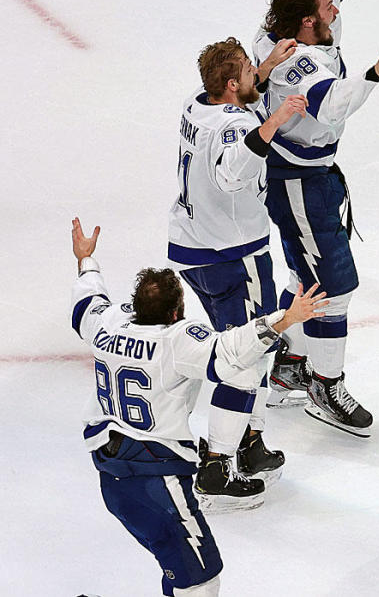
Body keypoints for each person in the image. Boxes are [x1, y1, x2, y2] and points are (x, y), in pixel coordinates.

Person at [70, 218, 327, 596]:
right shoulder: (175, 341)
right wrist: (285, 319)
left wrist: (86, 261)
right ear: (176, 312)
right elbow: (230, 351)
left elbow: (88, 301)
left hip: (112, 474)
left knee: (180, 570)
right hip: (156, 480)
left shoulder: (108, 324)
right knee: (201, 582)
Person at [251, 0, 379, 437]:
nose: (334, 8)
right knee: (334, 284)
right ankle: (324, 382)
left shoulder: (298, 20)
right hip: (296, 181)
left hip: (311, 175)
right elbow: (335, 105)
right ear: (306, 23)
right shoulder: (295, 64)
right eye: (326, 9)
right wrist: (375, 73)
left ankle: (288, 366)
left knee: (306, 274)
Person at [168, 36, 309, 505]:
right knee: (246, 355)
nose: (256, 76)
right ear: (231, 85)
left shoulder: (197, 103)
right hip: (233, 254)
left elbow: (235, 105)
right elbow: (232, 172)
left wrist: (267, 64)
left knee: (242, 350)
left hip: (193, 249)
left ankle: (249, 442)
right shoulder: (232, 129)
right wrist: (276, 119)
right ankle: (218, 465)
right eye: (249, 72)